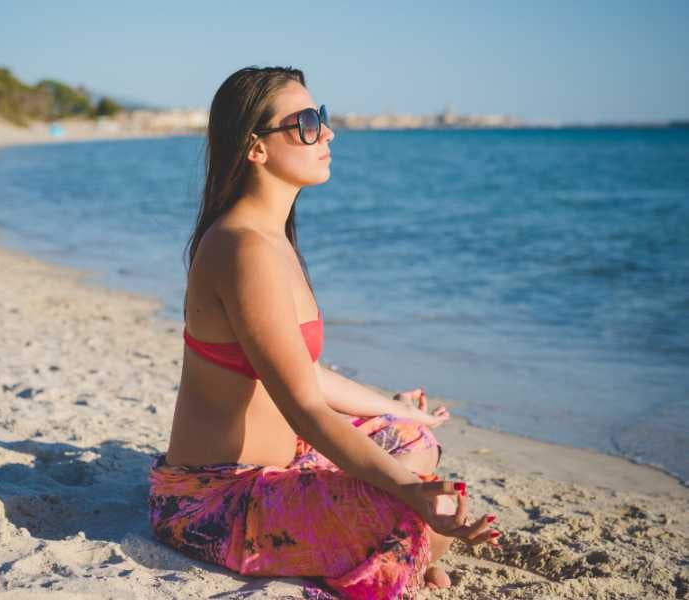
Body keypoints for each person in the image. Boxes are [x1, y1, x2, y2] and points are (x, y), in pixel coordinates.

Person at [148, 66, 500, 599]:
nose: (327, 133)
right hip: (217, 500)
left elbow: (302, 370)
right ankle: (392, 555)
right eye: (307, 123)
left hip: (282, 465)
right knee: (419, 513)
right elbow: (305, 409)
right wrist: (411, 492)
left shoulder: (270, 238)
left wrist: (399, 408)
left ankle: (382, 549)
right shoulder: (242, 248)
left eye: (322, 118)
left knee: (412, 437)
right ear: (256, 148)